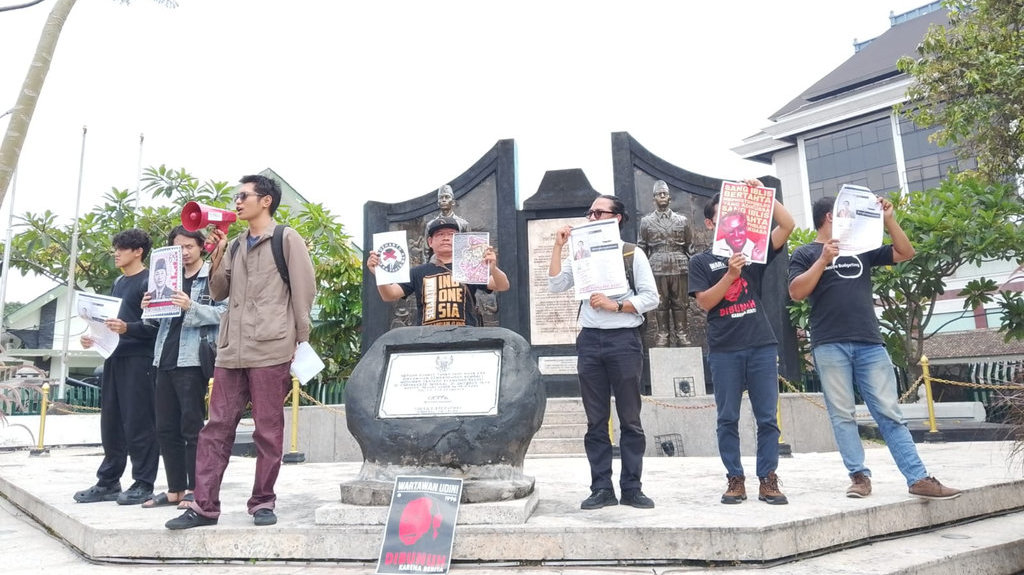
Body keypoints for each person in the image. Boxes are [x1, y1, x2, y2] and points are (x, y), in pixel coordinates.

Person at [166, 175, 316, 529]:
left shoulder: (286, 238)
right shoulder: (232, 244)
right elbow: (218, 292)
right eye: (237, 196)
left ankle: (263, 502)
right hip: (231, 350)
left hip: (272, 347)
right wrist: (216, 254)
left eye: (243, 195)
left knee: (268, 429)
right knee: (216, 429)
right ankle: (203, 507)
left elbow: (303, 290)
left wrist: (301, 338)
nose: (236, 201)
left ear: (266, 201)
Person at [788, 195, 961, 500]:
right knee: (842, 415)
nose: (853, 220)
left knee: (889, 413)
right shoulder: (804, 253)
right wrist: (823, 260)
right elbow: (796, 291)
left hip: (869, 341)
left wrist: (890, 219)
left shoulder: (861, 247)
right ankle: (859, 477)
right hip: (829, 343)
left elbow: (906, 252)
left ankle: (918, 478)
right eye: (848, 214)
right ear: (831, 216)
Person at [547, 195, 660, 510]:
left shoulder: (631, 253)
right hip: (590, 340)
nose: (592, 217)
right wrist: (558, 246)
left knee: (630, 419)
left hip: (624, 340)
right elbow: (556, 285)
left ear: (617, 218)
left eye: (600, 212)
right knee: (596, 421)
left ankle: (632, 488)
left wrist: (617, 305)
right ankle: (601, 488)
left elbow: (652, 297)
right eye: (590, 213)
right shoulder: (580, 252)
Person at [688, 181, 795, 505]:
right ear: (710, 223)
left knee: (767, 418)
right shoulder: (701, 262)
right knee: (727, 418)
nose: (729, 223)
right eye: (721, 218)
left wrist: (764, 195)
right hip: (724, 349)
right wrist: (730, 276)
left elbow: (787, 225)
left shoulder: (755, 252)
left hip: (761, 344)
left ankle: (768, 479)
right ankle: (735, 479)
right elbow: (705, 302)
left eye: (734, 217)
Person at [140, 226, 226, 509]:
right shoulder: (165, 276)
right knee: (165, 427)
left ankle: (193, 488)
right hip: (164, 356)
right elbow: (154, 324)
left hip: (192, 359)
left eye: (189, 246)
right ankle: (175, 488)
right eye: (179, 248)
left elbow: (225, 313)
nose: (185, 252)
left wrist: (192, 307)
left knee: (192, 427)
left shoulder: (210, 277)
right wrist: (148, 307)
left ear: (202, 246)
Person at [74, 229, 159, 506]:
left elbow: (155, 326)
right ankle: (108, 481)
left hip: (139, 360)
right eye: (116, 248)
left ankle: (143, 483)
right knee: (111, 422)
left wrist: (128, 328)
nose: (116, 253)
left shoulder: (150, 281)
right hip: (113, 356)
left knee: (139, 422)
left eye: (123, 248)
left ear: (138, 251)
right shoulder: (119, 281)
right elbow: (110, 323)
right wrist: (93, 336)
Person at [367, 216, 510, 326]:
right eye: (440, 234)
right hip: (427, 338)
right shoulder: (417, 272)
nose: (446, 238)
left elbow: (502, 285)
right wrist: (380, 273)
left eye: (451, 234)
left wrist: (493, 268)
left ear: (460, 240)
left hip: (465, 337)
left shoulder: (470, 267)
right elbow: (389, 295)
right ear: (430, 242)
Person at [637, 180, 693, 346]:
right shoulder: (646, 222)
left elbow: (690, 246)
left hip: (679, 265)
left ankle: (682, 333)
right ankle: (663, 334)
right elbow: (642, 248)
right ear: (653, 198)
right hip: (657, 266)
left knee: (680, 303)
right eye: (659, 194)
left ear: (670, 198)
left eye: (665, 193)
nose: (662, 196)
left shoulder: (682, 220)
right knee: (661, 303)